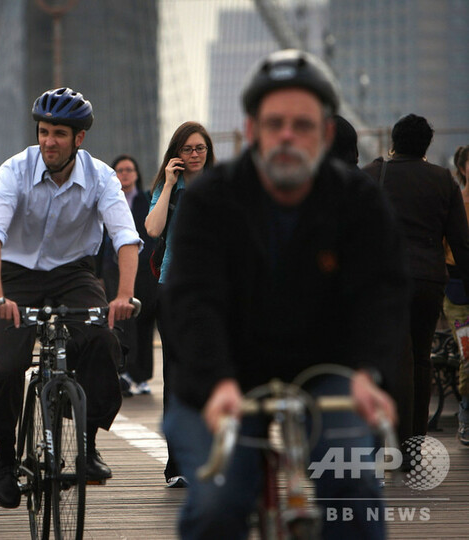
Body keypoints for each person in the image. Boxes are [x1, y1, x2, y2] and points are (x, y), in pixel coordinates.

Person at [161, 49, 408, 539]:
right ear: (251, 131)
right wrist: (217, 379)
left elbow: (381, 294)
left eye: (303, 124)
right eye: (274, 124)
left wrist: (369, 371)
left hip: (328, 374)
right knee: (217, 502)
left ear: (326, 133)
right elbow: (192, 300)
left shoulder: (358, 201)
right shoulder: (211, 201)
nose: (288, 136)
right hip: (223, 379)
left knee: (355, 488)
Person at [0, 87, 141, 509]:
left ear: (78, 139)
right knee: (10, 363)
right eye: (43, 132)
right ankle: (6, 456)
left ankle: (87, 443)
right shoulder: (15, 170)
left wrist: (123, 295)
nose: (49, 141)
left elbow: (125, 237)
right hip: (15, 275)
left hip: (72, 274)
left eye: (60, 134)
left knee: (103, 341)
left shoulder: (102, 177)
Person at [363, 115, 469, 445]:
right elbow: (461, 243)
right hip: (428, 281)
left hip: (385, 282)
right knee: (421, 358)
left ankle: (388, 438)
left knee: (390, 357)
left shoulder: (373, 175)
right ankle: (415, 441)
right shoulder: (443, 181)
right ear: (426, 145)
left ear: (394, 142)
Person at [145, 121, 216, 488]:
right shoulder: (167, 188)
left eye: (199, 148)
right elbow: (153, 230)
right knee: (176, 375)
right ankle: (177, 464)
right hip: (173, 287)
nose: (193, 155)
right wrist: (170, 184)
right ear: (176, 152)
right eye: (187, 149)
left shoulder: (222, 186)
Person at [97, 154, 157, 397]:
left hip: (144, 272)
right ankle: (123, 371)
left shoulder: (147, 200)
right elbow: (100, 239)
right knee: (120, 321)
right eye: (120, 170)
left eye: (129, 169)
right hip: (113, 269)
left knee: (144, 322)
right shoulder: (106, 199)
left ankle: (142, 376)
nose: (124, 174)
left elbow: (153, 235)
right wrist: (98, 272)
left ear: (136, 174)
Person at [432, 144, 469, 445]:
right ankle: (466, 417)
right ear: (462, 169)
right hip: (458, 290)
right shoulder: (453, 201)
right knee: (467, 355)